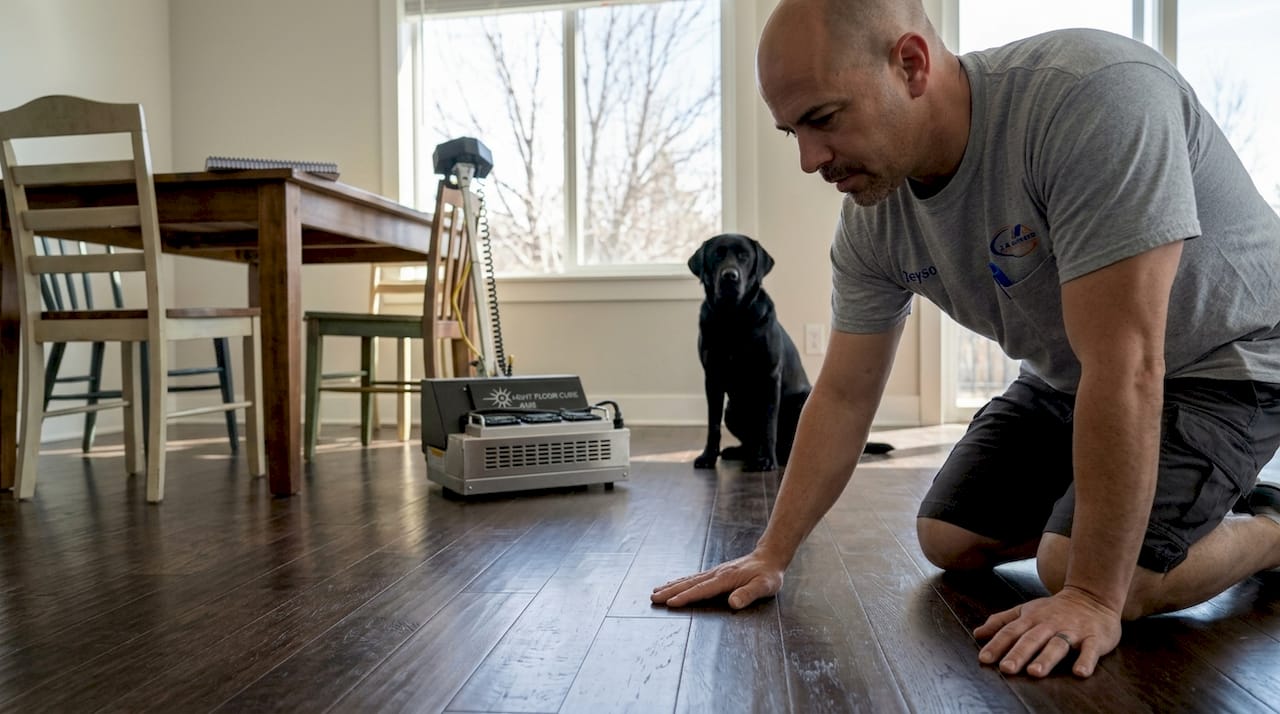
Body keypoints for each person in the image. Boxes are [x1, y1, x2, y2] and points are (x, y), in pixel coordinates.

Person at [651, 0, 1280, 680]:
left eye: (823, 120)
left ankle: (1270, 530)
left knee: (1080, 568)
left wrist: (1091, 595)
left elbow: (1128, 363)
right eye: (790, 132)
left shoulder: (1090, 98)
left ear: (911, 64)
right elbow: (841, 393)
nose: (809, 159)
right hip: (1072, 373)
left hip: (1225, 358)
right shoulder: (873, 220)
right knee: (947, 536)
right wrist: (771, 553)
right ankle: (1134, 509)